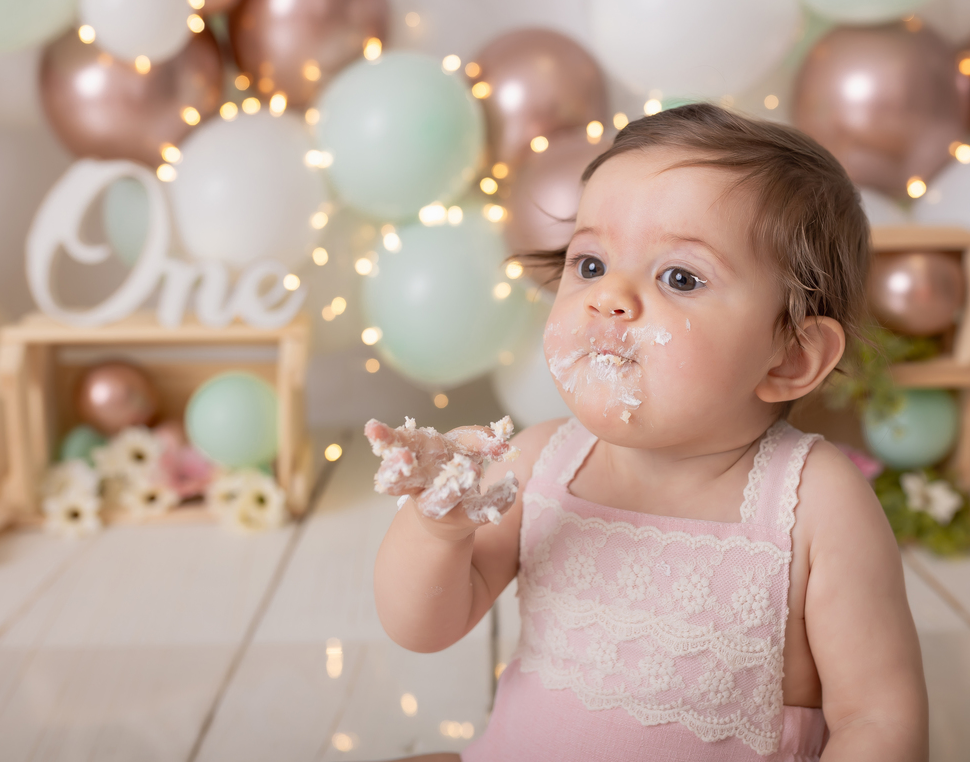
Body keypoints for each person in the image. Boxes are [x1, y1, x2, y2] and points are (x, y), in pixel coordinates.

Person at [372, 103, 928, 761]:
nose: (610, 297)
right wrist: (438, 526)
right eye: (590, 264)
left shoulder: (813, 502)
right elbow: (423, 627)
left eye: (679, 277)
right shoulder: (539, 461)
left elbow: (878, 719)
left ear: (789, 357)